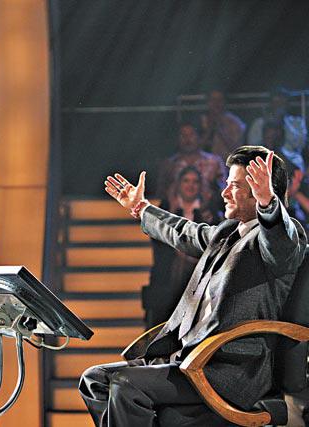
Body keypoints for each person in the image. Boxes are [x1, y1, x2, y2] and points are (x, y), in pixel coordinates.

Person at [79, 146, 306, 426]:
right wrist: (142, 208)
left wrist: (269, 205)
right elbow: (184, 232)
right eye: (227, 184)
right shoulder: (227, 232)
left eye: (235, 186)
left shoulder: (281, 240)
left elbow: (280, 240)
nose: (224, 193)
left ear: (261, 192)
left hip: (227, 370)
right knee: (95, 380)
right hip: (187, 359)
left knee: (126, 385)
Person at [144, 166, 221, 327]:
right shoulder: (166, 207)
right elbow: (157, 240)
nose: (190, 185)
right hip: (168, 279)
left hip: (200, 280)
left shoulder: (210, 211)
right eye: (186, 181)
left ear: (200, 185)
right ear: (178, 184)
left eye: (195, 181)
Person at [156, 123, 226, 214]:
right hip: (176, 214)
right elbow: (161, 193)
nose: (187, 139)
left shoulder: (214, 162)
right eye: (183, 135)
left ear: (200, 137)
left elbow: (223, 191)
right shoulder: (169, 164)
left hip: (208, 214)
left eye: (191, 135)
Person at [247, 88, 307, 171]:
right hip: (265, 161)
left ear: (287, 104)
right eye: (276, 103)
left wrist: (285, 122)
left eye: (282, 103)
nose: (278, 106)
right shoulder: (259, 123)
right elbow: (252, 146)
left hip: (292, 163)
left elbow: (300, 144)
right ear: (270, 104)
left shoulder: (297, 122)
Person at [200, 90, 246, 159]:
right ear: (207, 102)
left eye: (219, 100)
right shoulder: (200, 121)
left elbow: (237, 150)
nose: (216, 103)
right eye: (213, 100)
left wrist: (221, 131)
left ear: (224, 102)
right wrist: (209, 130)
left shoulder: (234, 122)